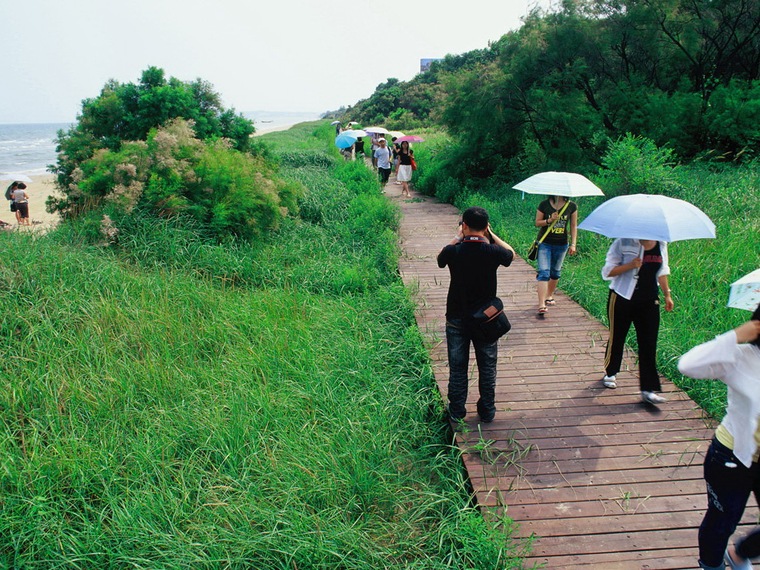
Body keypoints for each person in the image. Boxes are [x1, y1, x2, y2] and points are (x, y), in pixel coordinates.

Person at [678, 304, 760, 570]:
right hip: (731, 455)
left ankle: (740, 554)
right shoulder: (740, 356)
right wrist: (734, 336)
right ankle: (711, 566)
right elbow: (688, 365)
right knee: (722, 521)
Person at [437, 206, 515, 423]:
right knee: (487, 367)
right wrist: (491, 235)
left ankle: (457, 411)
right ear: (486, 227)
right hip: (486, 320)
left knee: (458, 367)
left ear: (464, 225)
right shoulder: (493, 252)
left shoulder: (455, 251)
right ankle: (487, 410)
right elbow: (511, 254)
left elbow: (440, 259)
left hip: (456, 317)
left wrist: (457, 236)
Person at [601, 238, 673, 404]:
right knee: (617, 336)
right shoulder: (623, 242)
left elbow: (662, 270)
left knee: (649, 343)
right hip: (621, 296)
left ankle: (648, 389)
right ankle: (611, 372)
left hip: (649, 299)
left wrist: (667, 294)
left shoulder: (661, 244)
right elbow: (607, 272)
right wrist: (630, 265)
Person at [534, 195, 577, 315]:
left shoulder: (571, 206)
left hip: (562, 244)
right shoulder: (544, 204)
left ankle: (549, 295)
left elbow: (573, 226)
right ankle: (541, 304)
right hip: (545, 243)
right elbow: (537, 223)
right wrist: (549, 220)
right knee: (544, 272)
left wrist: (573, 244)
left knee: (555, 272)